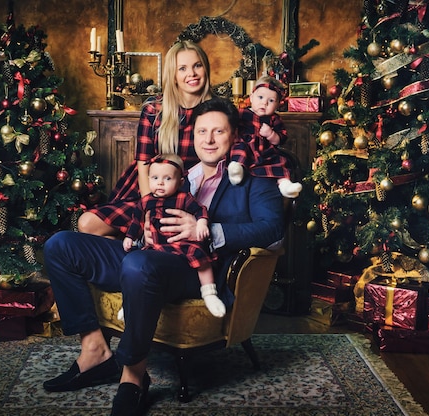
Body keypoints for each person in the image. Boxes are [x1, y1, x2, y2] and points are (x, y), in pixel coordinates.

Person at [42, 97, 285, 415]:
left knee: (138, 264)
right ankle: (96, 351)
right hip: (147, 255)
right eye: (201, 132)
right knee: (60, 245)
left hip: (196, 268)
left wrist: (209, 229)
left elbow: (273, 228)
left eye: (218, 132)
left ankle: (133, 377)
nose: (208, 140)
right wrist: (140, 229)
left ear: (234, 135)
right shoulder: (182, 175)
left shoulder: (255, 176)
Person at [78, 40, 214, 237]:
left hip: (190, 195)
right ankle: (131, 247)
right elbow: (143, 163)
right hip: (150, 190)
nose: (191, 73)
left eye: (197, 65)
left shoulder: (216, 110)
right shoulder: (154, 109)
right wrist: (149, 211)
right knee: (87, 223)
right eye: (182, 68)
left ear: (206, 68)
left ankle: (137, 250)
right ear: (173, 75)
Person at [122, 153, 225, 318]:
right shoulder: (146, 201)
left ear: (180, 182)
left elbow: (201, 210)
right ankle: (128, 303)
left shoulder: (184, 198)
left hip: (181, 244)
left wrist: (202, 223)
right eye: (155, 178)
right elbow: (136, 222)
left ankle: (209, 292)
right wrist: (129, 237)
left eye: (168, 178)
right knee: (134, 264)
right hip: (156, 245)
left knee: (199, 256)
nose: (160, 183)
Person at [227, 76, 303, 198]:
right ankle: (236, 169)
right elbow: (229, 126)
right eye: (260, 97)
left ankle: (285, 185)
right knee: (239, 149)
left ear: (277, 104)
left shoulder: (274, 119)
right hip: (247, 148)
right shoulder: (242, 113)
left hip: (266, 152)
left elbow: (281, 139)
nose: (264, 103)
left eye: (271, 101)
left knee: (280, 162)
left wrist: (271, 134)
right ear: (251, 97)